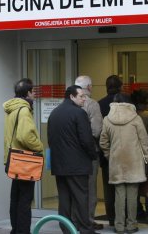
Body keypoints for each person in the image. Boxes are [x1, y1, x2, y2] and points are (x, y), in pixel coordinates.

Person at [99, 93, 148, 234]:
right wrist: (147, 157)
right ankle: (131, 225)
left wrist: (109, 155)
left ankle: (119, 226)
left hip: (116, 162)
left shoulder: (107, 119)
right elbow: (144, 141)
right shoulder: (136, 118)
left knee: (119, 195)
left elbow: (103, 142)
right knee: (132, 195)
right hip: (134, 162)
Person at [48, 85, 98, 234]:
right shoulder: (79, 113)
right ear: (71, 96)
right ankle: (85, 230)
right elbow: (86, 140)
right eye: (81, 96)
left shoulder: (54, 113)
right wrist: (93, 155)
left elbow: (51, 140)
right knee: (81, 198)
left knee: (64, 199)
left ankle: (67, 229)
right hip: (77, 165)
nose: (84, 99)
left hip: (59, 165)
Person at [3, 78, 43, 234]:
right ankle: (23, 231)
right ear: (28, 93)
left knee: (16, 198)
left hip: (13, 159)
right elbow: (25, 136)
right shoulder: (24, 110)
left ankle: (15, 230)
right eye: (33, 91)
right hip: (25, 161)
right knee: (25, 201)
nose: (34, 94)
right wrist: (39, 146)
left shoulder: (12, 108)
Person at [75, 76, 103, 230]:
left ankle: (74, 220)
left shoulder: (69, 103)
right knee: (90, 188)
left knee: (75, 187)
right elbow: (97, 130)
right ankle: (88, 220)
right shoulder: (92, 104)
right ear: (90, 88)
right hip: (89, 152)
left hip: (73, 153)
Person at [98, 75, 122, 226]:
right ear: (120, 86)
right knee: (123, 186)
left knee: (108, 187)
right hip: (124, 151)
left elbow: (98, 131)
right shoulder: (126, 102)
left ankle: (112, 218)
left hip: (105, 152)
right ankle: (123, 218)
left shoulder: (99, 104)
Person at [131, 89, 148, 221]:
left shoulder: (131, 116)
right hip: (145, 154)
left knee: (134, 185)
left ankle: (137, 211)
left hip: (133, 155)